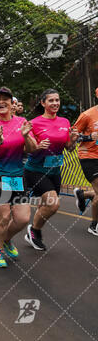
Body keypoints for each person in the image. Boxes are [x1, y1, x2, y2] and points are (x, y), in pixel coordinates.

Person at [0, 87, 34, 268]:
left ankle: (6, 239)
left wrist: (26, 137)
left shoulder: (22, 122)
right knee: (3, 217)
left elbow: (32, 149)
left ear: (12, 103)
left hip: (16, 176)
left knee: (23, 218)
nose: (1, 102)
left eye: (5, 99)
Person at [24, 89, 78, 251]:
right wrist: (38, 146)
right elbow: (28, 150)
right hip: (36, 169)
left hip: (55, 170)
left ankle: (33, 232)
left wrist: (73, 140)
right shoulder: (34, 123)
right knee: (53, 205)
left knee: (44, 204)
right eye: (51, 101)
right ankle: (34, 231)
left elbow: (69, 148)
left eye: (57, 100)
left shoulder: (65, 122)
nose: (55, 103)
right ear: (43, 103)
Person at [72, 89, 98, 235]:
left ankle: (84, 195)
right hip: (89, 156)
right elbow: (73, 136)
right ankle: (94, 225)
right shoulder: (87, 115)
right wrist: (89, 138)